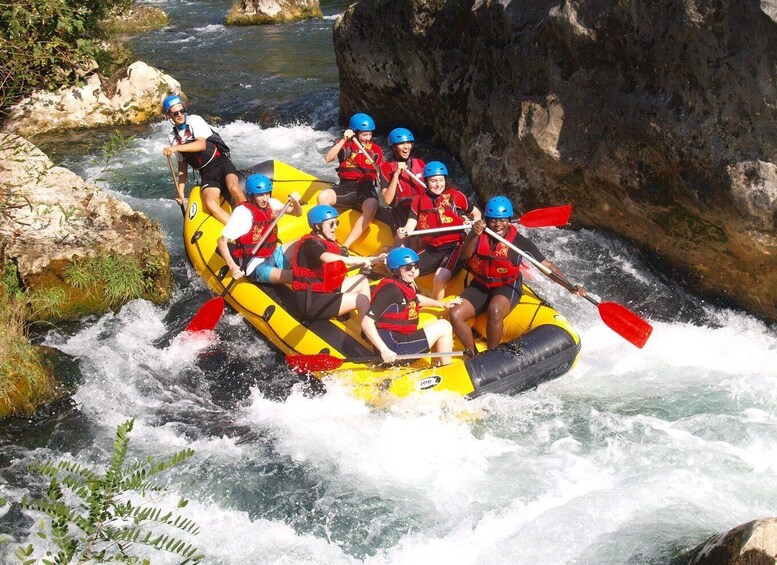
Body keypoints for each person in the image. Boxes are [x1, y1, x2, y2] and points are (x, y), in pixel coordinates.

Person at [449, 196, 585, 356]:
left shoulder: (520, 242)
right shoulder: (479, 233)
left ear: (509, 220)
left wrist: (569, 286)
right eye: (493, 221)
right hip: (480, 284)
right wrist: (474, 235)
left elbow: (546, 265)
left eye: (502, 220)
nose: (498, 225)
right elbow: (464, 256)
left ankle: (492, 356)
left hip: (506, 285)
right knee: (455, 314)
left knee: (495, 310)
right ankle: (474, 355)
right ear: (487, 220)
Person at [396, 161, 481, 301]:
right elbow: (410, 225)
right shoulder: (418, 201)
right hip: (432, 249)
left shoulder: (456, 197)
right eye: (433, 181)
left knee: (439, 278)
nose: (438, 184)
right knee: (404, 271)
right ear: (426, 181)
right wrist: (403, 231)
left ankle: (436, 310)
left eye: (441, 180)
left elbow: (477, 214)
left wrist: (472, 223)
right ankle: (407, 298)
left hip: (455, 247)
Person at [362, 247, 460, 365]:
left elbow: (415, 298)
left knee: (438, 325)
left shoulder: (400, 284)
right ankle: (447, 369)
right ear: (396, 269)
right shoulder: (389, 290)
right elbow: (366, 322)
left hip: (399, 341)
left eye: (415, 266)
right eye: (408, 267)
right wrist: (384, 350)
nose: (413, 270)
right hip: (392, 349)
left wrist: (441, 304)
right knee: (444, 326)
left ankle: (437, 368)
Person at [160, 94, 245, 225]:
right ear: (168, 116)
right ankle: (239, 230)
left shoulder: (195, 120)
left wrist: (176, 148)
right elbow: (182, 166)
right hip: (206, 173)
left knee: (233, 187)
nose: (180, 115)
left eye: (182, 110)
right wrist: (181, 192)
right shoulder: (173, 137)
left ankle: (252, 221)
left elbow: (201, 144)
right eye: (175, 112)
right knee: (210, 203)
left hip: (221, 163)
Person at [291, 205, 385, 322]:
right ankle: (368, 331)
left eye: (337, 223)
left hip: (324, 289)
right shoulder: (310, 244)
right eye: (331, 224)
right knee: (361, 299)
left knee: (362, 280)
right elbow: (328, 258)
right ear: (317, 226)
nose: (335, 227)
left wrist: (376, 258)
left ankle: (364, 320)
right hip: (311, 301)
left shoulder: (325, 242)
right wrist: (358, 260)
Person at [216, 174, 302, 284]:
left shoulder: (272, 203)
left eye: (267, 193)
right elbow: (222, 242)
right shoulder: (242, 213)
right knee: (295, 276)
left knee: (305, 241)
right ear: (251, 196)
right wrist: (233, 266)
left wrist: (296, 202)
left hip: (272, 255)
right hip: (255, 266)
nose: (265, 198)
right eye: (260, 195)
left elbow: (297, 213)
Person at [318, 113, 384, 254]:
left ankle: (345, 246)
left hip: (365, 188)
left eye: (369, 134)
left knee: (372, 204)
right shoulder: (345, 145)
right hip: (346, 187)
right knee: (323, 196)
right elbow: (328, 158)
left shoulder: (376, 151)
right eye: (364, 135)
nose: (367, 138)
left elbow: (381, 174)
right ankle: (328, 238)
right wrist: (343, 139)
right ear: (355, 132)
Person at [379, 127, 426, 234]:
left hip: (421, 209)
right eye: (401, 144)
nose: (406, 147)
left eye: (408, 143)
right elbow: (387, 200)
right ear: (394, 147)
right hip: (401, 212)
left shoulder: (419, 163)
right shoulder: (386, 167)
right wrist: (396, 174)